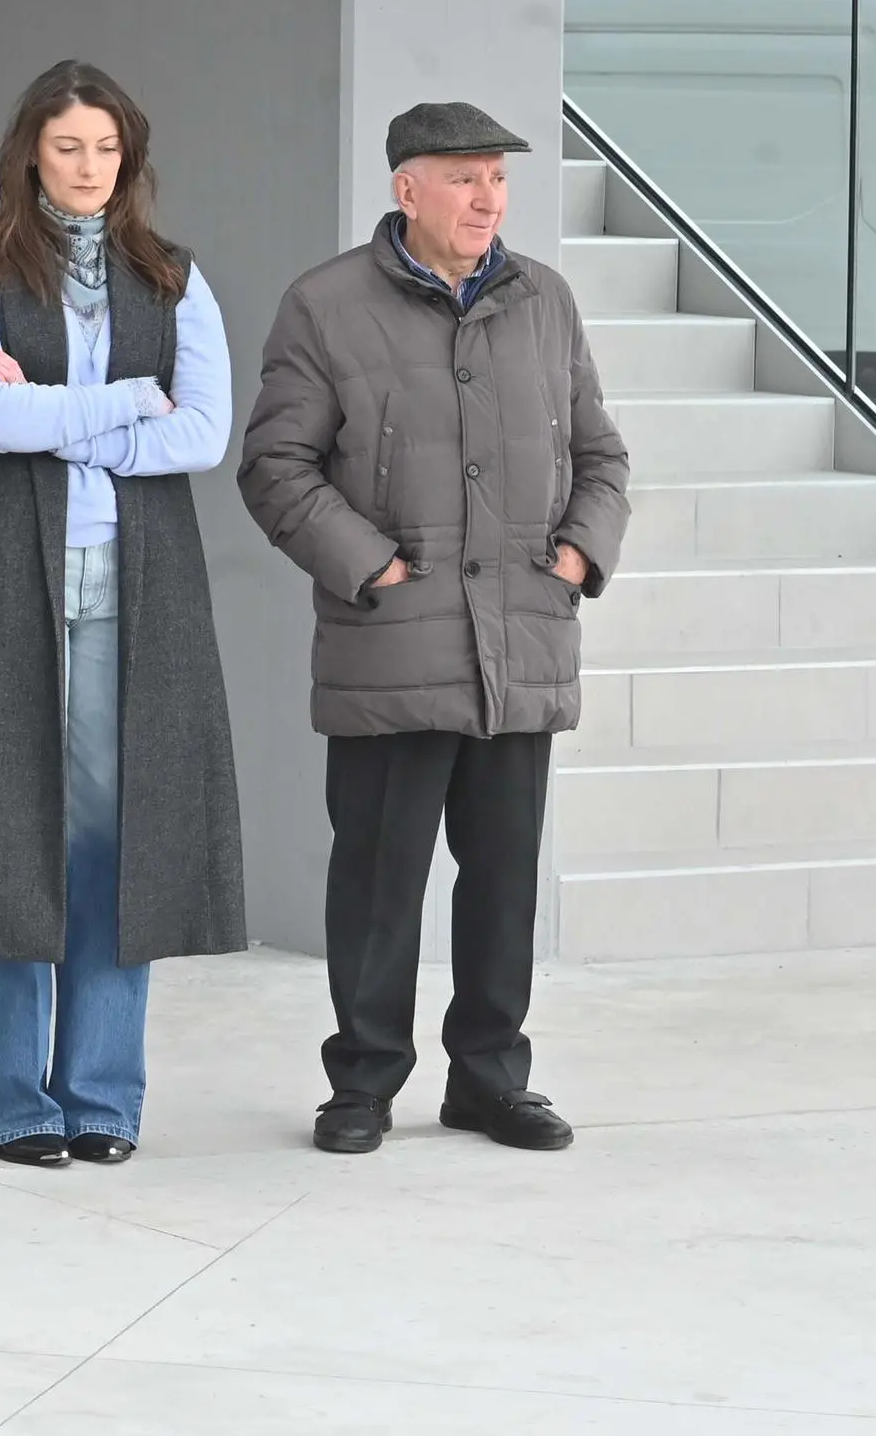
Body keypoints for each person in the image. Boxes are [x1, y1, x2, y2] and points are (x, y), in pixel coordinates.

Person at [238, 102, 630, 1157]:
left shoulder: (544, 301)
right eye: (464, 177)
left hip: (524, 640)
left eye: (496, 178)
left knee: (503, 879)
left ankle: (491, 1080)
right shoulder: (325, 306)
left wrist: (578, 554)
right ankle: (362, 1083)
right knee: (378, 880)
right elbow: (275, 467)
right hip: (393, 643)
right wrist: (369, 563)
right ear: (406, 187)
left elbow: (602, 455)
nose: (487, 197)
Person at [0, 61, 246, 1169]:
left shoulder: (176, 276)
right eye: (68, 149)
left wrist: (69, 418)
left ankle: (100, 1097)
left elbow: (207, 434)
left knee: (114, 843)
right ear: (29, 157)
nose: (90, 170)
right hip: (6, 585)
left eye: (106, 150)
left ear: (128, 158)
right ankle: (7, 1105)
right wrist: (132, 400)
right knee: (7, 835)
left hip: (138, 597)